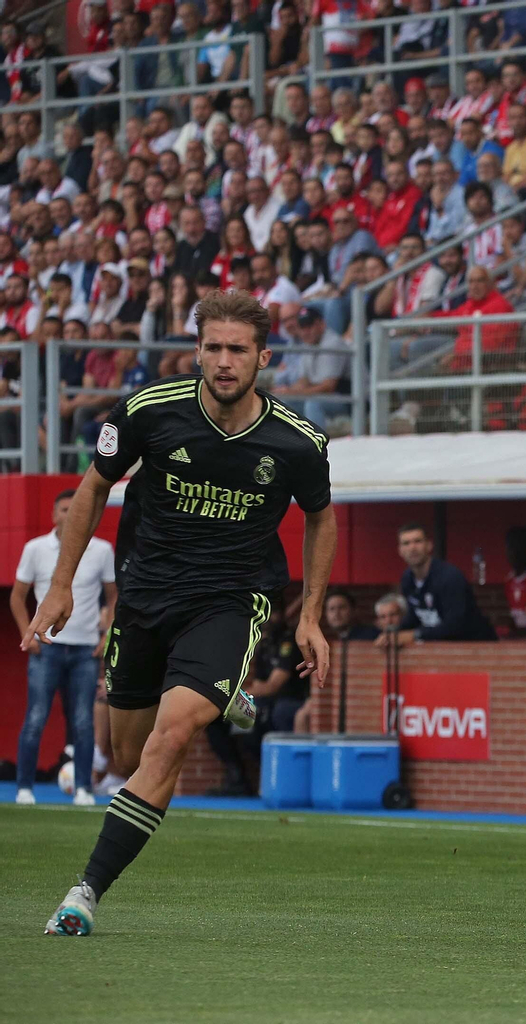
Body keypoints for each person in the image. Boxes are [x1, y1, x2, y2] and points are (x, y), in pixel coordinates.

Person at [31, 292, 335, 936]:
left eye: (238, 350)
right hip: (145, 596)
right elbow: (91, 488)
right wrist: (61, 586)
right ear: (197, 351)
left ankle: (84, 892)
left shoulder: (298, 442)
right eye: (214, 348)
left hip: (231, 598)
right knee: (127, 755)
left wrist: (309, 615)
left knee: (171, 739)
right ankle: (224, 695)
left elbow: (320, 518)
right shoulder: (147, 413)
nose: (225, 362)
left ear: (263, 357)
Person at [11, 489, 117, 807]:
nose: (70, 515)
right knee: (36, 717)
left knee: (84, 720)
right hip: (47, 647)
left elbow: (114, 598)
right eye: (64, 510)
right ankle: (24, 789)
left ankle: (84, 789)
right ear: (54, 515)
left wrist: (105, 636)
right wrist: (26, 636)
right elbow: (17, 596)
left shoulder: (101, 550)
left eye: (75, 509)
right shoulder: (35, 548)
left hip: (86, 649)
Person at [382, 523, 497, 647]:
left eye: (418, 541)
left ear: (429, 545)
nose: (412, 548)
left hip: (476, 649)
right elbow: (415, 617)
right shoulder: (407, 579)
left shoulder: (450, 577)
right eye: (406, 543)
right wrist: (393, 634)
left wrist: (414, 634)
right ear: (400, 550)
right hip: (442, 650)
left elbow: (455, 625)